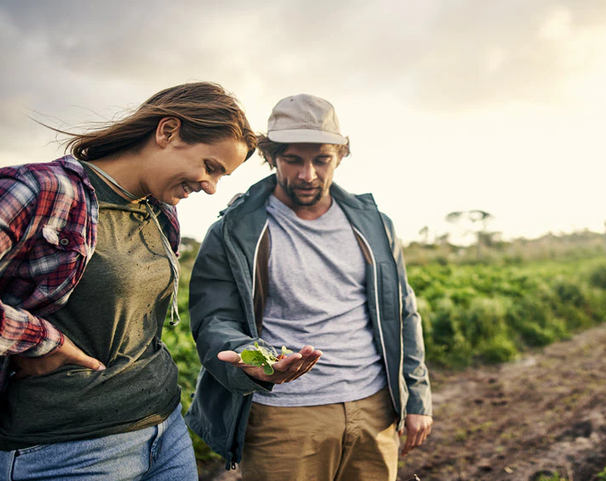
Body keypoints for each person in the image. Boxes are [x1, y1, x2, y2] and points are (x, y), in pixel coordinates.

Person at [0, 82, 258, 481]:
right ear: (168, 132)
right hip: (62, 451)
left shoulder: (161, 212)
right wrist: (40, 339)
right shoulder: (40, 189)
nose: (211, 185)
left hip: (165, 433)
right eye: (210, 166)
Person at [186, 93, 433, 480]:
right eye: (293, 159)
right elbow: (213, 321)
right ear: (271, 157)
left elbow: (403, 310)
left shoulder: (375, 225)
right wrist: (255, 360)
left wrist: (416, 399)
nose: (308, 175)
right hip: (282, 417)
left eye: (321, 159)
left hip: (374, 410)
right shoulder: (232, 230)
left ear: (339, 156)